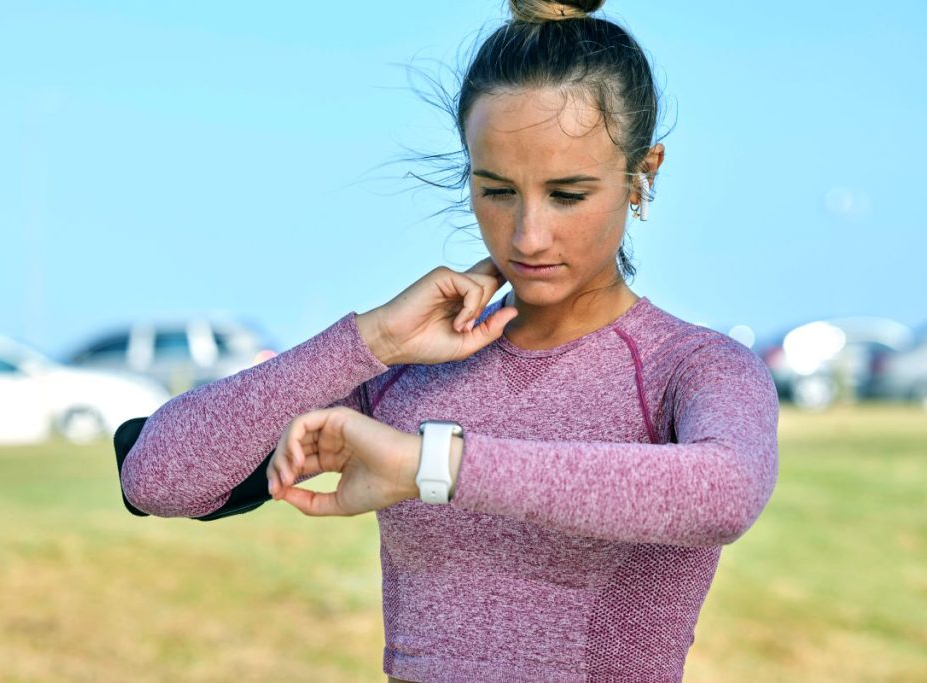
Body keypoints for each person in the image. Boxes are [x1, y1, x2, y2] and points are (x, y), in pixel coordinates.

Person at [118, 0, 780, 680]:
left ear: (645, 173)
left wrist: (432, 466)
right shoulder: (412, 367)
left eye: (568, 194)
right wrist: (368, 340)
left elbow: (725, 490)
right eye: (495, 189)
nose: (527, 235)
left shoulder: (690, 368)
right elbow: (157, 478)